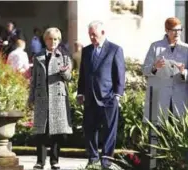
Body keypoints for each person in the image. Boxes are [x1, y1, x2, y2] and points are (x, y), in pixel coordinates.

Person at [77, 20, 125, 170]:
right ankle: (92, 158)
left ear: (103, 33)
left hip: (109, 98)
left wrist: (117, 94)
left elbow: (120, 74)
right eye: (90, 35)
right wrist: (80, 92)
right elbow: (83, 74)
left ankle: (106, 161)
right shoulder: (86, 50)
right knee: (89, 129)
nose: (92, 37)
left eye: (94, 35)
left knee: (109, 130)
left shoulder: (115, 49)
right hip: (90, 98)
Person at [28, 27, 73, 170]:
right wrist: (31, 97)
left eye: (55, 39)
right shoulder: (38, 56)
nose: (52, 42)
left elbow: (69, 78)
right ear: (45, 40)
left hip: (58, 98)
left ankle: (54, 161)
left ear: (59, 40)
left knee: (56, 131)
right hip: (42, 97)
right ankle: (40, 161)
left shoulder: (64, 57)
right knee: (41, 131)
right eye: (49, 39)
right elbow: (34, 79)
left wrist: (65, 72)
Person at [142, 17, 188, 122]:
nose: (177, 33)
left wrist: (184, 72)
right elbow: (144, 69)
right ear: (166, 30)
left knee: (179, 131)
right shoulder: (155, 47)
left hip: (180, 97)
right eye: (174, 30)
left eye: (179, 30)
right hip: (160, 97)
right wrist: (155, 67)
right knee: (158, 132)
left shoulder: (187, 48)